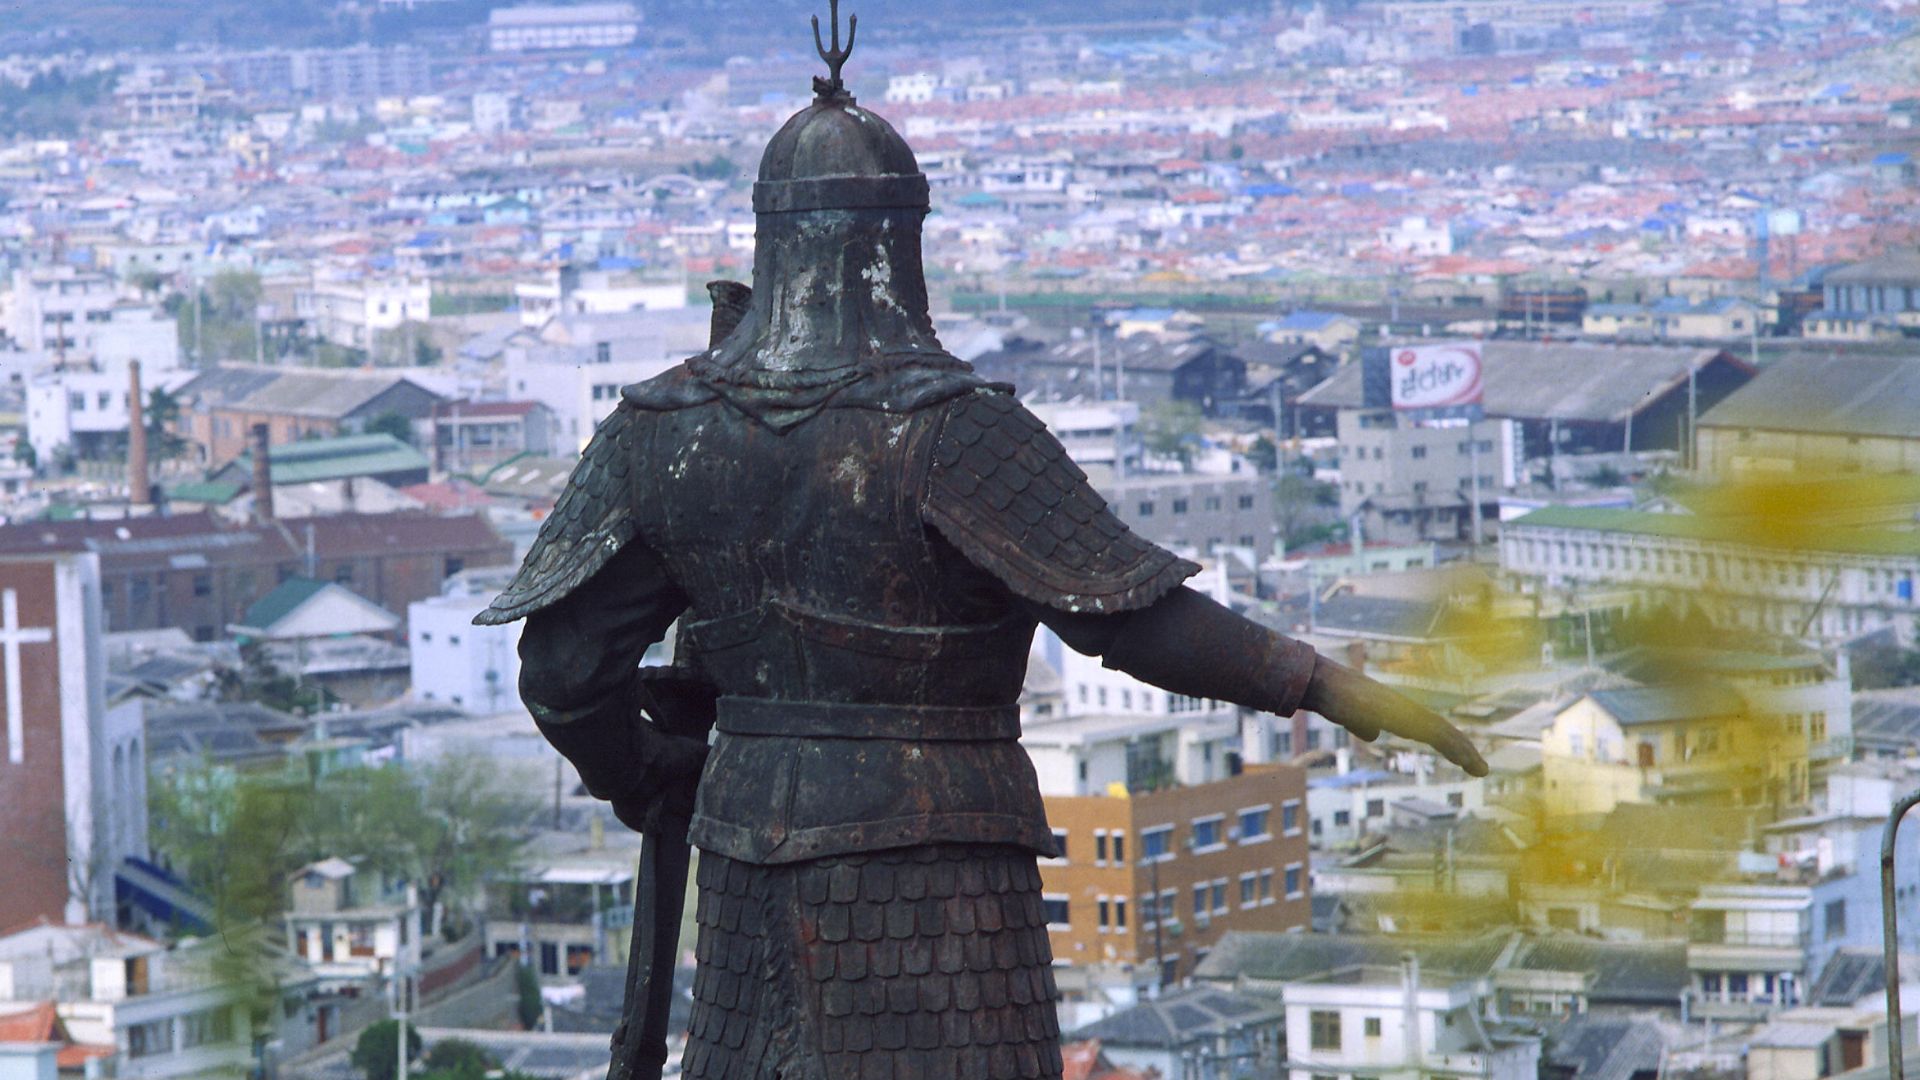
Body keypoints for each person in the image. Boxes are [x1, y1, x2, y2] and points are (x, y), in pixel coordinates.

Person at [476, 14, 1485, 1079]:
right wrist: (1327, 686)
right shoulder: (953, 429)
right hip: (941, 875)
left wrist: (648, 773)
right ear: (902, 242)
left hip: (743, 855)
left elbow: (562, 670)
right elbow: (1126, 618)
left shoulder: (665, 429)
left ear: (772, 237)